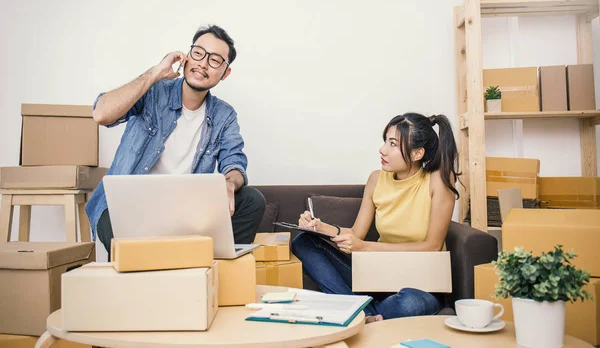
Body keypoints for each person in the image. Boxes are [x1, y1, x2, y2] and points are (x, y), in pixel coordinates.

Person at [85, 25, 265, 256]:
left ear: (225, 73)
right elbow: (101, 114)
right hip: (128, 204)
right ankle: (167, 269)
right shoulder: (152, 91)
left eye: (215, 60)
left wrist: (229, 183)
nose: (203, 63)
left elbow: (235, 162)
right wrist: (154, 73)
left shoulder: (224, 115)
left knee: (252, 200)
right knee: (128, 240)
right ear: (187, 56)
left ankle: (212, 272)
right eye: (199, 53)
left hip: (183, 211)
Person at [292, 112, 460, 323]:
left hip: (420, 283)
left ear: (417, 154)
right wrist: (320, 227)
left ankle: (357, 312)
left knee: (410, 303)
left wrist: (364, 247)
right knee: (303, 242)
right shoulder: (376, 179)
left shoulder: (438, 181)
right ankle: (367, 314)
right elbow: (355, 234)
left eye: (392, 144)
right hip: (376, 278)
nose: (382, 150)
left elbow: (432, 246)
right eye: (385, 142)